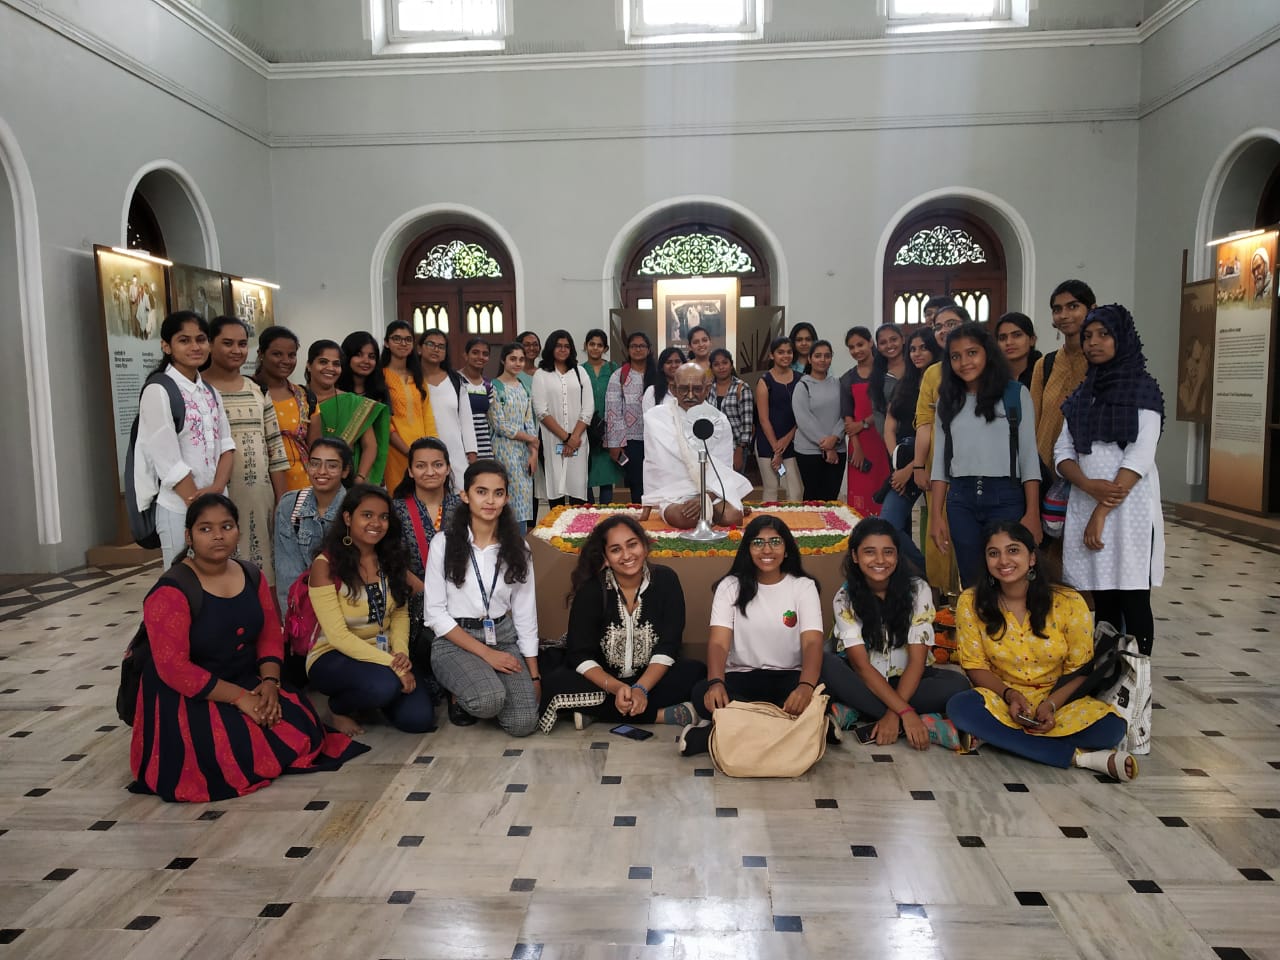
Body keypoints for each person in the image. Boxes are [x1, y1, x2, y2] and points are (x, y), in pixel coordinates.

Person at [129, 494, 368, 803]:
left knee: (302, 729)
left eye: (227, 526)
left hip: (245, 678)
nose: (218, 536)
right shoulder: (171, 590)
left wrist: (270, 683)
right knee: (230, 753)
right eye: (205, 529)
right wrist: (241, 699)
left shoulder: (250, 574)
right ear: (188, 536)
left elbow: (269, 634)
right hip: (190, 693)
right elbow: (174, 669)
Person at [945, 522, 1137, 781]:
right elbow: (974, 666)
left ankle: (999, 737)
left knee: (1111, 729)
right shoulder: (971, 601)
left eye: (1013, 550)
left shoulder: (1068, 602)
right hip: (1001, 700)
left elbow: (1081, 670)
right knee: (961, 707)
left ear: (1032, 557)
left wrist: (1051, 704)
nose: (1004, 560)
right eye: (993, 553)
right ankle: (1081, 758)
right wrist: (1010, 695)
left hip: (1059, 701)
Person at [1055, 304, 1165, 656]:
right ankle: (1105, 677)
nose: (1093, 343)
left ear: (1122, 338)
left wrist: (1101, 510)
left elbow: (1140, 455)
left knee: (1133, 597)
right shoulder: (1082, 395)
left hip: (1127, 509)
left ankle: (1137, 680)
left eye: (1103, 334)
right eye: (1088, 336)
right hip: (1086, 499)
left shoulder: (1143, 391)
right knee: (1102, 599)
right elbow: (1063, 451)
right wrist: (1087, 486)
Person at [538, 515, 706, 733]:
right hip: (604, 680)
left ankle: (595, 711)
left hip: (649, 678)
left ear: (645, 546)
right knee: (556, 684)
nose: (627, 555)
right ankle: (660, 715)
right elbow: (580, 654)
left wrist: (641, 689)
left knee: (697, 675)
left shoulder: (666, 581)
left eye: (632, 545)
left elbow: (669, 645)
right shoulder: (591, 590)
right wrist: (617, 688)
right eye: (616, 549)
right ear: (606, 557)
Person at [680, 516, 825, 757]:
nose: (767, 550)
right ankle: (799, 727)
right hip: (742, 677)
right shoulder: (730, 586)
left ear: (787, 549)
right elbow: (718, 642)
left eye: (775, 542)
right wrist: (716, 683)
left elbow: (812, 642)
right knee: (701, 693)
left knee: (818, 690)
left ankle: (715, 735)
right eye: (758, 542)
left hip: (789, 678)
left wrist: (805, 687)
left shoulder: (803, 586)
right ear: (748, 549)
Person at [820, 518, 969, 747]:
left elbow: (917, 662)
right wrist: (906, 712)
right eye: (870, 552)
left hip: (909, 680)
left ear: (898, 555)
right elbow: (861, 667)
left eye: (888, 552)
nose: (880, 560)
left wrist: (895, 713)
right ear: (855, 556)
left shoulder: (918, 590)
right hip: (864, 680)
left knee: (957, 684)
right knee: (824, 663)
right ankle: (924, 721)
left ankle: (860, 710)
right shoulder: (844, 598)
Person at [305, 484, 434, 735]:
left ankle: (374, 695)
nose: (376, 523)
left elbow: (399, 612)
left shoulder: (390, 557)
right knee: (384, 686)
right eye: (367, 515)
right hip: (333, 654)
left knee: (418, 720)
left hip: (383, 654)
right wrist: (394, 667)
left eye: (383, 517)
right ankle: (338, 708)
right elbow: (339, 637)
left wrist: (400, 654)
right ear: (347, 517)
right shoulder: (325, 565)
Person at [424, 460, 540, 737]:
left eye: (498, 493)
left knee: (524, 723)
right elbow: (435, 614)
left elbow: (525, 613)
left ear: (507, 498)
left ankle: (488, 683)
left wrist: (534, 675)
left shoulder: (518, 548)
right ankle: (460, 692)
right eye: (481, 492)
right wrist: (488, 656)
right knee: (488, 700)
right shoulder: (444, 542)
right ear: (465, 496)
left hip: (501, 636)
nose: (490, 501)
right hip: (455, 639)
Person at [929, 322, 1041, 588]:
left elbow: (1028, 458)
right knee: (973, 579)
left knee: (1009, 576)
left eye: (972, 353)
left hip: (1006, 497)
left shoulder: (1015, 395)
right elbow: (940, 463)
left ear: (987, 353)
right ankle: (977, 629)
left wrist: (1033, 512)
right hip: (961, 500)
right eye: (955, 356)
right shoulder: (947, 400)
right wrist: (936, 515)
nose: (964, 362)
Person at [137, 312, 236, 568]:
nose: (195, 347)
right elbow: (167, 459)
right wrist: (200, 510)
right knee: (184, 580)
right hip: (180, 507)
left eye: (201, 339)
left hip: (216, 504)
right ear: (166, 346)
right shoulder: (158, 389)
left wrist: (216, 491)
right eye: (184, 340)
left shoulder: (209, 391)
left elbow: (226, 446)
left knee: (218, 578)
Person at [201, 316, 290, 584]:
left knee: (262, 574)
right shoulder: (199, 391)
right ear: (210, 345)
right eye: (227, 343)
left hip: (259, 499)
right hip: (216, 493)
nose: (236, 350)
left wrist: (281, 502)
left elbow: (275, 447)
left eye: (242, 344)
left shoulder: (257, 390)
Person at [643, 363, 752, 529]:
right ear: (673, 388)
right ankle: (711, 512)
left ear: (707, 389)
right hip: (674, 496)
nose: (690, 395)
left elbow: (723, 470)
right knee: (684, 519)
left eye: (697, 389)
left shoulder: (719, 420)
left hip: (712, 491)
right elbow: (653, 466)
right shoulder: (656, 418)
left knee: (733, 517)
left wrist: (705, 498)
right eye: (684, 389)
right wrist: (647, 508)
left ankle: (714, 509)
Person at [912, 304, 970, 593]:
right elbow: (924, 423)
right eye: (938, 326)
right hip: (938, 466)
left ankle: (971, 599)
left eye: (952, 323)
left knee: (969, 536)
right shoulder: (933, 373)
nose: (944, 330)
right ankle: (941, 600)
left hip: (975, 466)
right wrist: (919, 465)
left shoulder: (982, 367)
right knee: (938, 534)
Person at [392, 436, 462, 662]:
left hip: (460, 598)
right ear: (410, 471)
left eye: (437, 465)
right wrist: (430, 595)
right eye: (421, 466)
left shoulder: (464, 508)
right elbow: (392, 561)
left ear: (448, 468)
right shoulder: (396, 510)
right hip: (415, 599)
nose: (430, 472)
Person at [879, 327, 942, 573]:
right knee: (888, 525)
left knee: (939, 527)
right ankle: (924, 571)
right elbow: (889, 427)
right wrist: (898, 463)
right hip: (904, 463)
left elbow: (935, 431)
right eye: (913, 349)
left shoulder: (943, 382)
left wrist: (910, 467)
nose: (917, 354)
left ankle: (935, 577)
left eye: (924, 348)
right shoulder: (904, 384)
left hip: (931, 463)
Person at [1029, 281, 1095, 492]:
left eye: (1073, 306)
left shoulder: (1101, 363)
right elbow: (1032, 422)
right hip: (1045, 472)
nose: (1064, 315)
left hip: (1087, 471)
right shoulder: (1045, 364)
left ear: (1092, 309)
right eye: (1057, 309)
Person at [273, 437, 352, 611]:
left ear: (345, 471)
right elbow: (287, 573)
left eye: (332, 465)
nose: (321, 471)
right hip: (304, 611)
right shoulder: (290, 505)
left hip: (350, 607)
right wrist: (293, 624)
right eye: (315, 464)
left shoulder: (356, 507)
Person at [306, 340, 381, 488]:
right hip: (306, 478)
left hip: (346, 481)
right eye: (323, 362)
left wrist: (359, 479)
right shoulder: (298, 399)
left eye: (336, 364)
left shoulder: (354, 403)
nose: (330, 368)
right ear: (309, 365)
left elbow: (370, 446)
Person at [532, 330, 593, 506]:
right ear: (551, 348)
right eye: (558, 346)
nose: (563, 349)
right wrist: (566, 438)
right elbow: (541, 411)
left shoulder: (580, 372)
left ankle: (577, 531)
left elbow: (588, 408)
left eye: (567, 346)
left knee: (577, 489)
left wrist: (574, 437)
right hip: (551, 440)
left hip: (578, 440)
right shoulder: (541, 374)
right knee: (556, 489)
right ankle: (556, 531)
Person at [323, 331, 392, 486]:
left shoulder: (379, 392)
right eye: (359, 355)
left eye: (372, 356)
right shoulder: (334, 392)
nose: (365, 361)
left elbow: (381, 435)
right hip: (334, 467)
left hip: (371, 469)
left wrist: (361, 478)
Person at [252, 325, 311, 492]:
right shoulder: (248, 391)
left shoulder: (304, 396)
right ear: (261, 354)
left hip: (303, 485)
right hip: (262, 487)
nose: (286, 360)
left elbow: (314, 448)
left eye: (291, 355)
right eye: (277, 354)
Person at [419, 328, 480, 489]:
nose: (435, 349)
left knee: (456, 499)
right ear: (419, 348)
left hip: (455, 454)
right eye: (430, 344)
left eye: (441, 346)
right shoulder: (412, 379)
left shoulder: (456, 380)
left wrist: (472, 456)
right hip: (422, 452)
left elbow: (466, 421)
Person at [381, 320, 437, 492]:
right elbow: (385, 422)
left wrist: (433, 447)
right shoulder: (380, 377)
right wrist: (408, 451)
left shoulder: (418, 376)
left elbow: (427, 414)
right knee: (399, 500)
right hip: (395, 451)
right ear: (386, 343)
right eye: (397, 339)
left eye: (407, 339)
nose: (402, 343)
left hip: (422, 449)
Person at [489, 342, 539, 530]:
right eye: (513, 359)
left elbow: (530, 422)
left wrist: (533, 453)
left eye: (521, 359)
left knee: (524, 501)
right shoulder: (495, 387)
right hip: (503, 449)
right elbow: (500, 425)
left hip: (523, 453)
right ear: (503, 360)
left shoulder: (524, 388)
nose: (517, 363)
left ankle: (520, 544)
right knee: (506, 496)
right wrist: (530, 439)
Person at [840, 326, 889, 516]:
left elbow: (887, 406)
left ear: (870, 342)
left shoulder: (886, 372)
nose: (856, 351)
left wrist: (864, 423)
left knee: (884, 491)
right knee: (860, 495)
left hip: (885, 439)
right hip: (859, 444)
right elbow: (847, 416)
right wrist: (856, 446)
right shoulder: (847, 378)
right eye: (851, 347)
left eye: (860, 344)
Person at [605, 331, 656, 502]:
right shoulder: (619, 376)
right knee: (637, 483)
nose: (638, 349)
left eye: (642, 346)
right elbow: (613, 411)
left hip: (657, 440)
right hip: (631, 441)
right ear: (628, 350)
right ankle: (640, 518)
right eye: (634, 346)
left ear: (649, 349)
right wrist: (615, 443)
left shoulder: (658, 375)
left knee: (657, 481)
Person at [792, 339, 846, 501]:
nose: (822, 360)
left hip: (838, 449)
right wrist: (827, 446)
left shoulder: (839, 383)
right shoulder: (802, 385)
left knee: (831, 497)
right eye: (818, 356)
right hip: (809, 451)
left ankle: (831, 527)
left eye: (827, 356)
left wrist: (835, 438)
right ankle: (809, 527)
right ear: (809, 359)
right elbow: (804, 419)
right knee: (813, 497)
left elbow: (846, 413)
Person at [754, 336, 803, 502]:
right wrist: (776, 448)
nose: (786, 356)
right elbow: (763, 419)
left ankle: (795, 527)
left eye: (789, 352)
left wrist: (786, 440)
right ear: (772, 355)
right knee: (771, 489)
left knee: (795, 491)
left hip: (793, 442)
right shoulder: (764, 381)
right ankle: (768, 526)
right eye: (781, 352)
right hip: (767, 443)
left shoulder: (801, 380)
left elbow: (802, 416)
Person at [582, 328, 623, 504]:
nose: (595, 348)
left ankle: (606, 516)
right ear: (585, 346)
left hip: (609, 428)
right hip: (585, 428)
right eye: (592, 344)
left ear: (605, 348)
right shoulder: (579, 370)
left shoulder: (614, 369)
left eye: (600, 345)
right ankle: (588, 518)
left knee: (607, 476)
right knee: (585, 475)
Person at [709, 348, 754, 474]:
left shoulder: (742, 388)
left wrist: (740, 450)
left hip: (735, 447)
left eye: (724, 363)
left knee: (734, 488)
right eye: (716, 364)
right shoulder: (708, 389)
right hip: (713, 448)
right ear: (711, 368)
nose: (721, 367)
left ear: (731, 364)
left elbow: (747, 424)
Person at [868, 323, 907, 436]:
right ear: (878, 347)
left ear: (903, 339)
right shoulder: (877, 377)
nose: (889, 345)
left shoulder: (915, 367)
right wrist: (890, 445)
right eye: (883, 343)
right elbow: (878, 413)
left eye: (893, 339)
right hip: (894, 440)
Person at [995, 312, 1041, 389]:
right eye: (1002, 338)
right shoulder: (991, 377)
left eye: (1017, 335)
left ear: (1032, 340)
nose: (1008, 342)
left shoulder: (1043, 373)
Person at [644, 347, 686, 412]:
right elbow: (648, 418)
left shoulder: (691, 390)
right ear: (662, 367)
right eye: (669, 362)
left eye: (677, 361)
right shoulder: (652, 391)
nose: (673, 365)